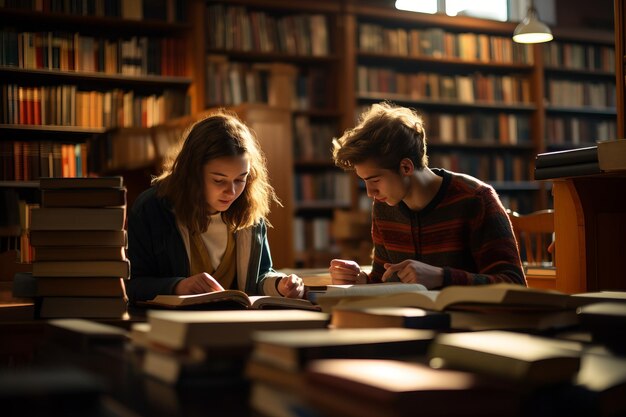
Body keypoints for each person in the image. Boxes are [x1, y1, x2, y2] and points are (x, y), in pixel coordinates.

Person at [329, 102, 526, 289]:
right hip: (412, 320)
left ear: (406, 167)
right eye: (364, 182)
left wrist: (441, 277)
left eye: (375, 180)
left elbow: (513, 284)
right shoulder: (384, 206)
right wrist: (362, 280)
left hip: (472, 322)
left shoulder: (476, 199)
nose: (370, 193)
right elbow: (385, 280)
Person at [126, 110, 304, 302]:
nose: (232, 192)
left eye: (240, 179)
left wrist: (280, 285)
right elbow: (132, 284)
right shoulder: (151, 208)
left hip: (235, 324)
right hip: (175, 327)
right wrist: (177, 286)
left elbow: (259, 275)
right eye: (219, 181)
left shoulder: (248, 206)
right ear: (192, 173)